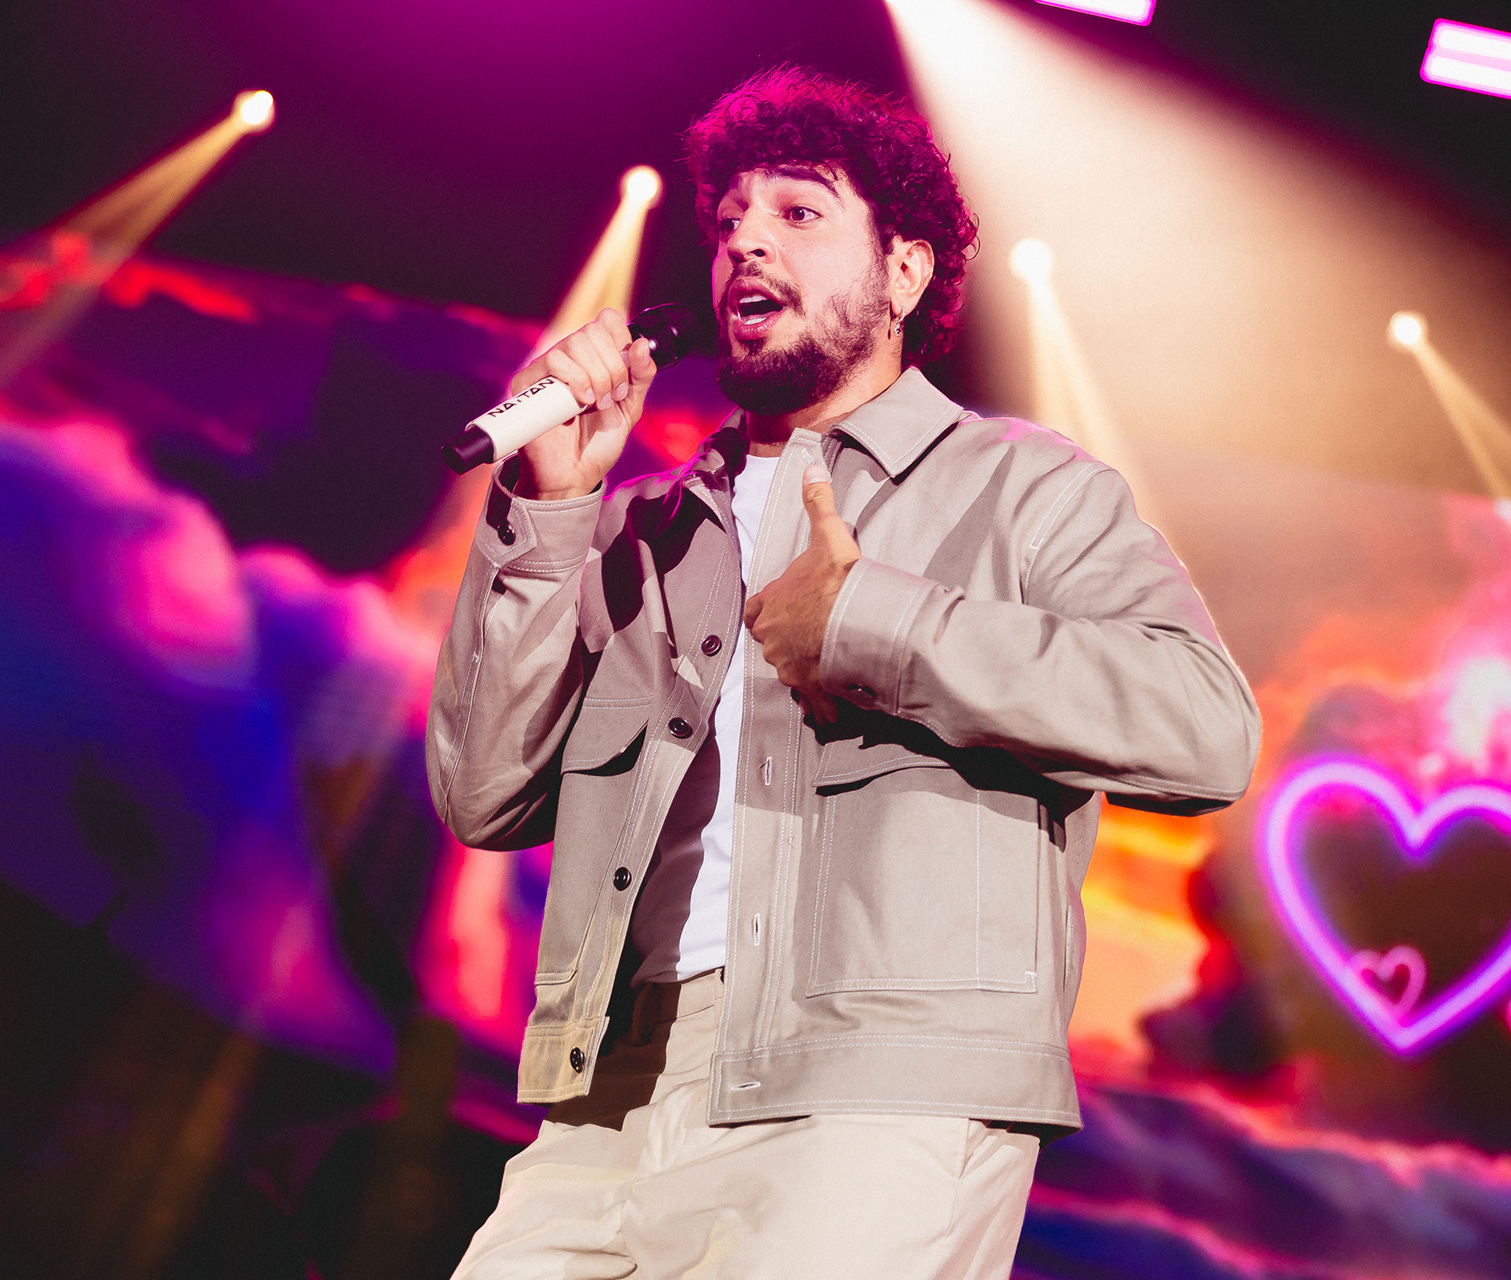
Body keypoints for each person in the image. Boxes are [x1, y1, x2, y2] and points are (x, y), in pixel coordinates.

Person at [427, 66, 1260, 1279]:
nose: (746, 241)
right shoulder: (643, 526)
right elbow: (483, 794)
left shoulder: (1026, 487)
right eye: (729, 221)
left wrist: (873, 620)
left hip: (878, 1091)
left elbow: (1204, 726)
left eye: (799, 211)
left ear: (905, 271)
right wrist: (551, 511)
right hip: (608, 1093)